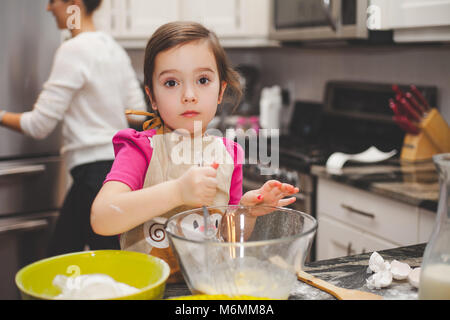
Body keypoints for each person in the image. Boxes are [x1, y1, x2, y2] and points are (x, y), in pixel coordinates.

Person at [90, 21, 299, 282]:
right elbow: (102, 218)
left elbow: (228, 239)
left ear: (221, 90)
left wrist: (246, 211)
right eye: (171, 83)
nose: (189, 95)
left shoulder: (228, 154)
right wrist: (177, 191)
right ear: (152, 97)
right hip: (150, 290)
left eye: (202, 80)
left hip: (207, 289)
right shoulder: (140, 148)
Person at [0, 0, 147, 256]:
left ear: (74, 4)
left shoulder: (73, 50)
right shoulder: (114, 49)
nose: (48, 8)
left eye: (53, 1)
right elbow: (136, 112)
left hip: (93, 176)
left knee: (83, 262)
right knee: (82, 257)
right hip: (118, 170)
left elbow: (39, 125)